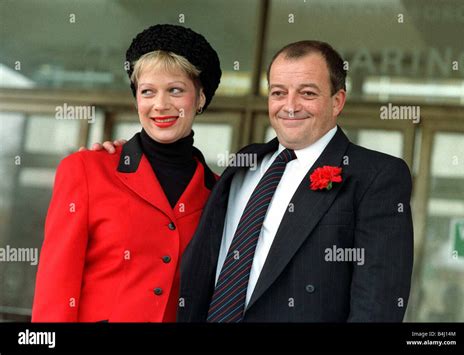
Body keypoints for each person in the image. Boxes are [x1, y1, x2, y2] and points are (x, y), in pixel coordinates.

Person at [97, 40, 414, 322]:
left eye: (307, 93)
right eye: (278, 93)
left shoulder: (376, 176)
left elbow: (378, 304)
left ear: (337, 101)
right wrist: (123, 154)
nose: (289, 106)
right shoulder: (246, 163)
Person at [32, 24, 221, 322]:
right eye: (148, 91)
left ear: (199, 99)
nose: (160, 105)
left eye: (175, 90)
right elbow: (55, 289)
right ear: (137, 100)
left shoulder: (220, 193)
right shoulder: (85, 170)